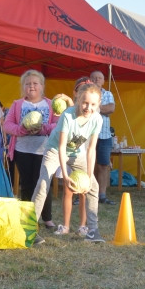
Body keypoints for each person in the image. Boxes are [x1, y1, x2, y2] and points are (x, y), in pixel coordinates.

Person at [30, 81, 105, 242]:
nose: (88, 108)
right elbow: (62, 146)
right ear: (77, 99)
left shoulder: (97, 119)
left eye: (93, 104)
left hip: (77, 153)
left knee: (94, 186)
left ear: (98, 104)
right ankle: (29, 230)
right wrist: (65, 175)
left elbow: (91, 149)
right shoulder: (68, 115)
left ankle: (92, 231)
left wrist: (88, 178)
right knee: (43, 184)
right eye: (85, 103)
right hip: (55, 150)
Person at [5, 70, 58, 227]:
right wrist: (21, 130)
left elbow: (58, 123)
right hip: (23, 150)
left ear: (42, 86)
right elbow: (7, 125)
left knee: (43, 184)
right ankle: (27, 217)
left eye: (35, 83)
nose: (31, 86)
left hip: (45, 151)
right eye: (28, 84)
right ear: (23, 87)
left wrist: (44, 129)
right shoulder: (17, 104)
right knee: (27, 184)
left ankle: (47, 218)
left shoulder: (50, 104)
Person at [87, 71, 116, 205]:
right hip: (87, 135)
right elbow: (81, 108)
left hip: (104, 135)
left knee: (103, 165)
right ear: (90, 79)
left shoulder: (108, 94)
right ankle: (83, 194)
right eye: (94, 78)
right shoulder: (85, 92)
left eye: (99, 78)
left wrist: (94, 107)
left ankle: (102, 195)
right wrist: (100, 108)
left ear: (103, 81)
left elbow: (111, 108)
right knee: (85, 164)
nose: (96, 80)